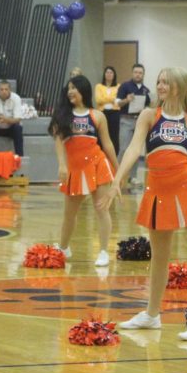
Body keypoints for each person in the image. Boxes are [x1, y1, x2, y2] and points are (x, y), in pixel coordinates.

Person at [100, 67, 187, 340]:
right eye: (159, 81)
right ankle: (151, 315)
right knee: (159, 258)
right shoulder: (150, 116)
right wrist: (117, 180)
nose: (160, 86)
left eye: (166, 82)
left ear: (179, 88)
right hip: (158, 190)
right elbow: (134, 148)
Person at [51, 75, 119, 265]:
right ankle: (64, 248)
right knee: (69, 214)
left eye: (74, 88)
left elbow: (107, 144)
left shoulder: (97, 116)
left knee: (101, 209)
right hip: (74, 168)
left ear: (84, 91)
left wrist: (119, 170)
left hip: (97, 164)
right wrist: (62, 164)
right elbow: (58, 142)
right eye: (69, 88)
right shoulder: (63, 115)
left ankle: (104, 251)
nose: (70, 91)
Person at [115, 63, 151, 179]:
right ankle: (117, 175)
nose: (138, 75)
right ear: (132, 73)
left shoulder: (146, 90)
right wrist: (127, 99)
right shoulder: (125, 86)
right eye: (136, 72)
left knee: (136, 150)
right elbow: (117, 103)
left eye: (140, 73)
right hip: (126, 120)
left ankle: (133, 177)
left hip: (140, 122)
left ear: (143, 74)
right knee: (124, 148)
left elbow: (149, 105)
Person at [94, 66, 121, 155]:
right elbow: (98, 100)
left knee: (114, 135)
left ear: (114, 75)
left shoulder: (118, 86)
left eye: (111, 72)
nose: (109, 74)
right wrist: (112, 99)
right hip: (102, 112)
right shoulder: (99, 86)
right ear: (104, 74)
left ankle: (114, 155)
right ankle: (100, 154)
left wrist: (105, 99)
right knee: (101, 134)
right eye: (107, 72)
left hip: (115, 113)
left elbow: (118, 100)